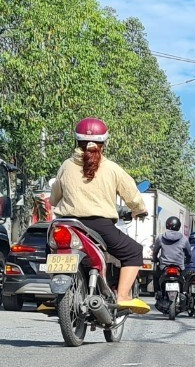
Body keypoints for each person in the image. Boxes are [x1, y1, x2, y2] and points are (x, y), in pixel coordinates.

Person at [48, 117, 150, 314]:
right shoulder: (111, 168)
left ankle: (56, 292)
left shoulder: (66, 166)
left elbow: (54, 198)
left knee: (54, 250)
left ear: (77, 141)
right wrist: (139, 209)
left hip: (66, 224)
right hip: (99, 226)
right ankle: (122, 296)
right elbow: (131, 194)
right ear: (104, 143)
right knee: (134, 252)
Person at [151, 216, 191, 302]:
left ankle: (157, 293)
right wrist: (187, 261)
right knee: (186, 279)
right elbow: (189, 253)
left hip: (164, 267)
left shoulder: (160, 237)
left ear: (167, 225)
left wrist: (155, 259)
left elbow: (155, 251)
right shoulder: (184, 239)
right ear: (179, 226)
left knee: (156, 276)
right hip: (179, 267)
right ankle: (184, 293)